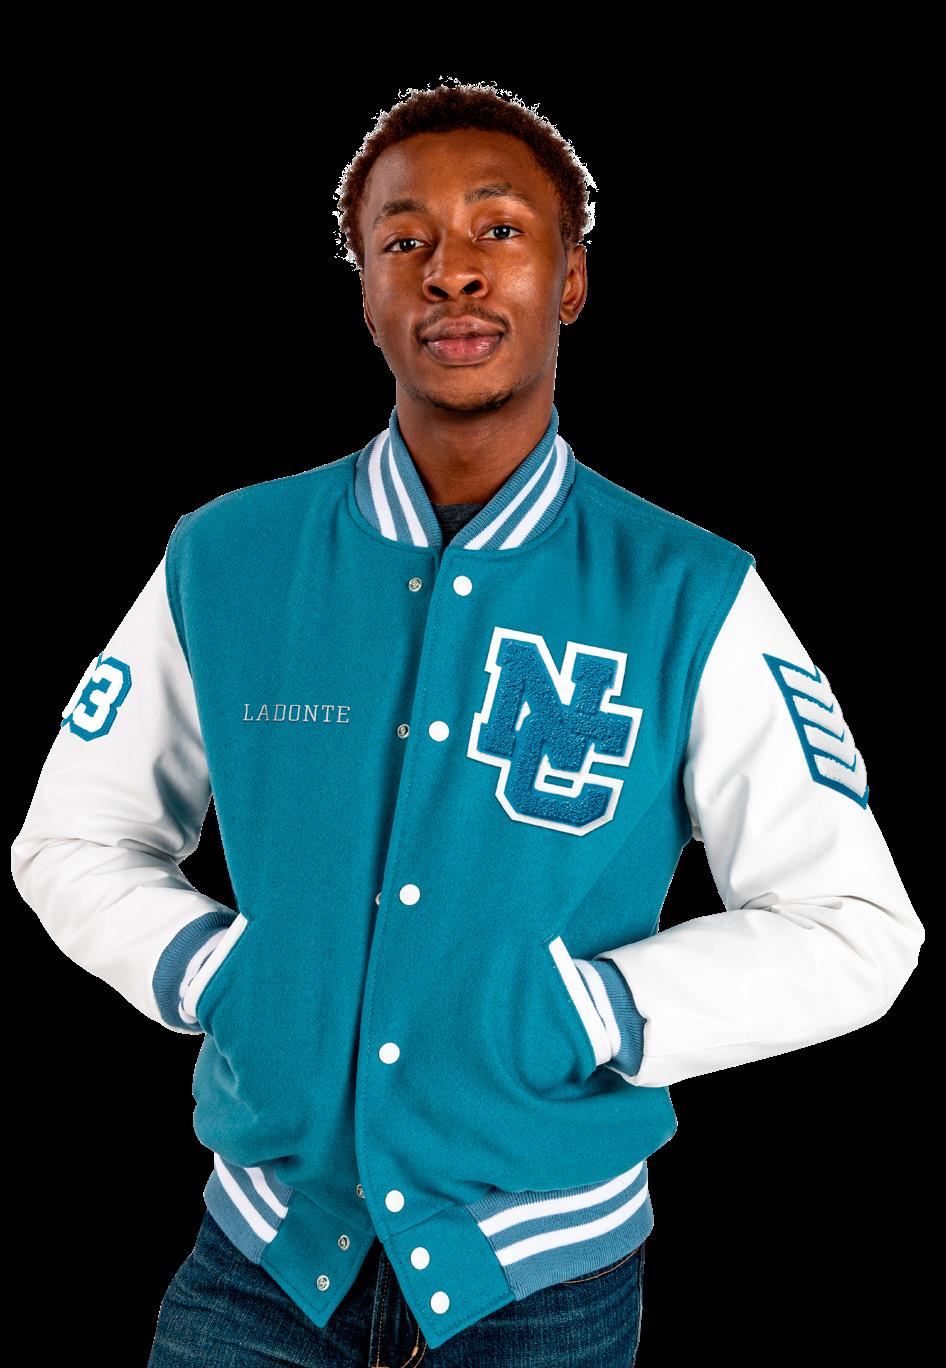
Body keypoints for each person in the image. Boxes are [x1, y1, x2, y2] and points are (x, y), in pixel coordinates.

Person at [11, 78, 923, 1366]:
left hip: (545, 1292)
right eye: (406, 240)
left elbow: (857, 927)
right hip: (262, 1265)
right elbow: (71, 839)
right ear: (367, 292)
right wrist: (216, 974)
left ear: (571, 280)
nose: (453, 272)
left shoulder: (688, 592)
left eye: (500, 229)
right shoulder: (226, 557)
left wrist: (596, 1014)